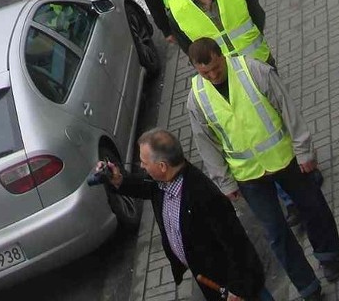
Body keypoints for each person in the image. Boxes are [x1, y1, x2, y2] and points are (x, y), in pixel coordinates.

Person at [187, 38, 339, 296]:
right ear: (195, 68)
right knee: (277, 233)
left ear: (222, 56)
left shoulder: (253, 70)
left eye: (216, 68)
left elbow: (287, 109)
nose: (213, 76)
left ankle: (329, 256)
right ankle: (308, 287)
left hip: (284, 158)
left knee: (313, 208)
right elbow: (206, 144)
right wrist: (224, 182)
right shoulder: (197, 99)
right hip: (248, 175)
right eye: (205, 73)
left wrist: (303, 151)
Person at [102, 129, 271, 301]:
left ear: (162, 166)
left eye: (144, 162)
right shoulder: (160, 182)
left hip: (233, 285)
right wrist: (119, 181)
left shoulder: (204, 195)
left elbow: (236, 243)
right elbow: (143, 186)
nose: (141, 165)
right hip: (208, 278)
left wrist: (238, 289)